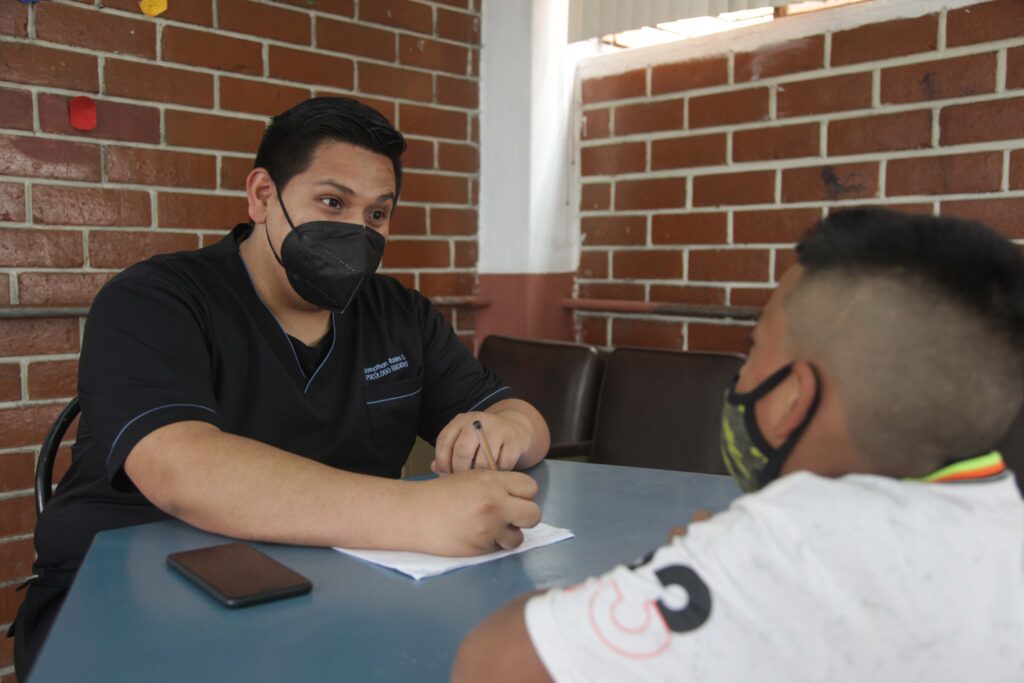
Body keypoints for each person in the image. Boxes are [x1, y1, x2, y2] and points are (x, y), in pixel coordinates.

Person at [10, 97, 549, 677]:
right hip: (128, 600)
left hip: (333, 593)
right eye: (332, 202)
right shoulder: (155, 300)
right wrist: (418, 513)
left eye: (377, 213)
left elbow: (519, 416)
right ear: (263, 195)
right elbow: (180, 469)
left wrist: (505, 428)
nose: (357, 230)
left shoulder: (399, 314)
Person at [453, 208, 1024, 682]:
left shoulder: (786, 543)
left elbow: (492, 665)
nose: (743, 376)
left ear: (793, 398)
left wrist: (697, 563)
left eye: (754, 352)